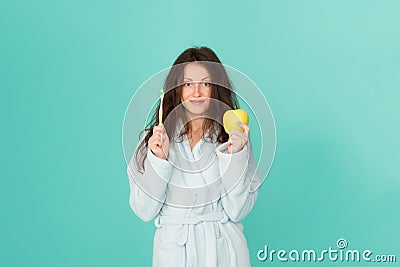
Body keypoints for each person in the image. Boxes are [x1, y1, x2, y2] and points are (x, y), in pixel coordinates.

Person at [127, 47, 261, 267]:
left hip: (224, 253)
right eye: (188, 84)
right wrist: (158, 160)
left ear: (216, 88)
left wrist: (235, 155)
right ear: (177, 89)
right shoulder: (155, 139)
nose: (196, 92)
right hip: (175, 254)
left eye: (205, 84)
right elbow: (144, 210)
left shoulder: (233, 138)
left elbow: (238, 210)